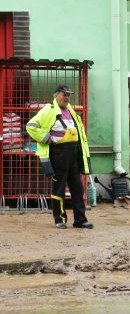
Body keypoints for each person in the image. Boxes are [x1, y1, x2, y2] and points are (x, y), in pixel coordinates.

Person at [26, 84, 93, 229]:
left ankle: (80, 220)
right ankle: (59, 219)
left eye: (68, 95)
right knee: (59, 188)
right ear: (56, 95)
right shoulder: (48, 110)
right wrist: (46, 138)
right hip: (58, 154)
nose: (67, 98)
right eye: (64, 94)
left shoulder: (70, 111)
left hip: (73, 154)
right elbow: (31, 126)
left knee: (77, 188)